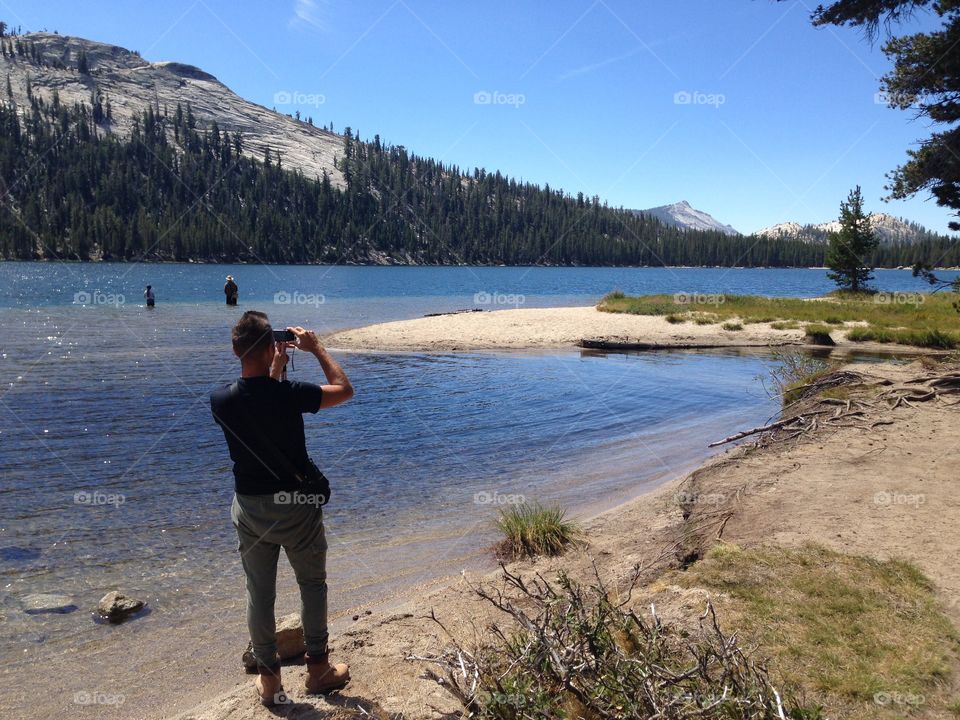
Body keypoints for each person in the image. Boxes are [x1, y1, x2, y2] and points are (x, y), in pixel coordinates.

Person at [210, 311, 354, 706]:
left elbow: (259, 405)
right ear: (273, 346)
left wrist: (273, 365)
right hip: (297, 509)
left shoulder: (220, 401)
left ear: (235, 349)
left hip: (251, 509)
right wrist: (316, 347)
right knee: (312, 585)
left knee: (259, 593)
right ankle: (319, 670)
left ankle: (271, 683)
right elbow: (344, 389)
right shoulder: (290, 395)